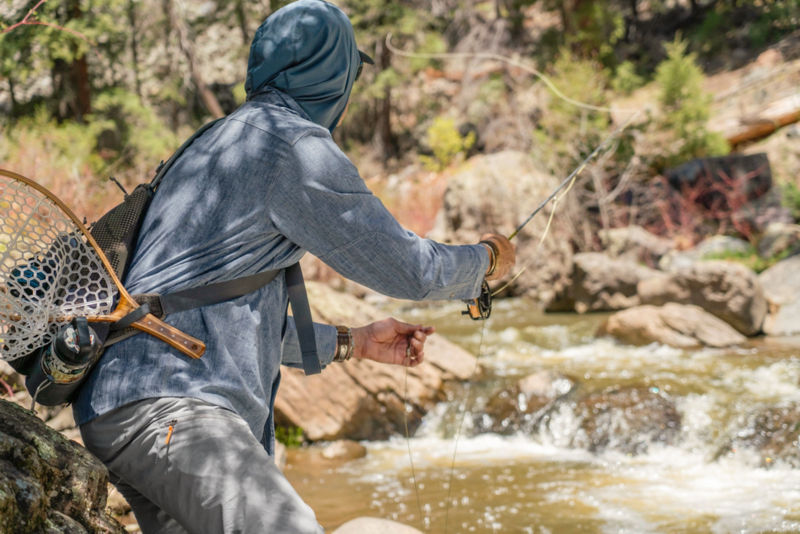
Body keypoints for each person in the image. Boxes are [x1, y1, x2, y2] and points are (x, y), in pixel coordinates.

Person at [74, 1, 515, 532]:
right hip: (175, 408)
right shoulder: (294, 147)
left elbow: (197, 316)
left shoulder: (215, 140)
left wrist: (355, 341)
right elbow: (409, 269)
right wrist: (486, 262)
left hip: (118, 406)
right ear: (332, 78)